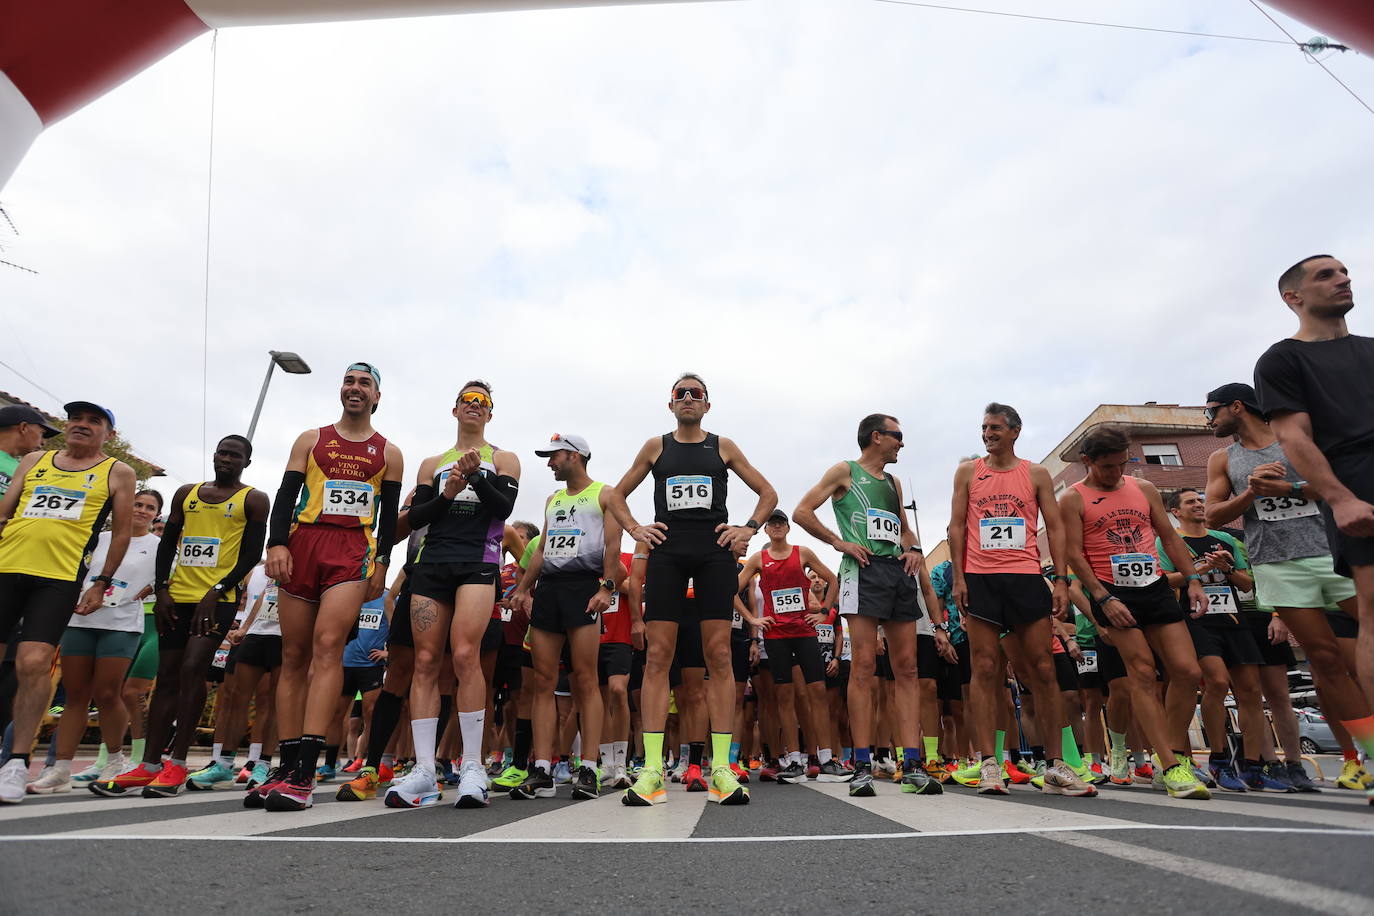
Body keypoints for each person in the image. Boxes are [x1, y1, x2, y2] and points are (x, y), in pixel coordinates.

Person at [607, 373, 776, 806]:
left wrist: (748, 529)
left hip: (713, 553)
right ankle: (651, 771)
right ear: (670, 405)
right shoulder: (656, 446)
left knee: (718, 655)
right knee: (658, 657)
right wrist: (635, 529)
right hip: (667, 552)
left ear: (706, 405)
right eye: (679, 393)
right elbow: (616, 496)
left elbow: (767, 492)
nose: (687, 398)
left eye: (695, 393)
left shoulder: (722, 446)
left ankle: (721, 768)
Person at [1205, 380, 1371, 792]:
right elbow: (1212, 515)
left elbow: (1340, 485)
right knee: (1325, 661)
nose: (1209, 422)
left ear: (1237, 406)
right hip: (1276, 564)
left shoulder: (1296, 438)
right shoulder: (1222, 459)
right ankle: (1362, 756)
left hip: (1331, 550)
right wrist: (1250, 490)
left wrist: (1289, 488)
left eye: (1212, 412)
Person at [1253, 255, 1374, 804]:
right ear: (1294, 297)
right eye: (1326, 275)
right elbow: (1296, 436)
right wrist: (1339, 496)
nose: (1343, 279)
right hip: (1349, 488)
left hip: (1326, 541)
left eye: (1344, 271)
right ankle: (1364, 754)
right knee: (1335, 650)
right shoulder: (1283, 359)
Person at [260, 363, 403, 811]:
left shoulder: (389, 452)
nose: (354, 388)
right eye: (349, 381)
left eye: (364, 383)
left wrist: (382, 564)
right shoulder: (311, 439)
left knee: (327, 646)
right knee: (293, 655)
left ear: (376, 396)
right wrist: (277, 543)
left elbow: (389, 515)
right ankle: (285, 766)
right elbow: (285, 495)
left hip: (351, 549)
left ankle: (305, 770)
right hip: (304, 542)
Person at [92, 436, 268, 798]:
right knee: (167, 676)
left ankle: (177, 763)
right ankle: (149, 765)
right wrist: (162, 590)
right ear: (214, 456)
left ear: (246, 463)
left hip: (216, 601)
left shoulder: (253, 499)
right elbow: (168, 543)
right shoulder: (187, 494)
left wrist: (218, 590)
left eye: (234, 455)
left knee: (192, 669)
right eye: (222, 452)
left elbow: (251, 554)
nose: (226, 459)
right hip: (177, 598)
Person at [793, 413, 950, 797]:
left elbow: (903, 528)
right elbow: (802, 511)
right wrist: (838, 542)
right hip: (861, 571)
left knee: (907, 668)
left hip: (897, 572)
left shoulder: (894, 483)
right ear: (876, 436)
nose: (902, 443)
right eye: (898, 436)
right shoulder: (845, 471)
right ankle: (862, 765)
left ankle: (911, 764)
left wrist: (914, 548)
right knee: (863, 666)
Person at [947, 404, 1096, 797]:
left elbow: (1056, 528)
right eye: (984, 428)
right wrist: (959, 578)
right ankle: (989, 764)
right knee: (984, 669)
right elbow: (956, 526)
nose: (988, 434)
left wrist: (1060, 580)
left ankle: (1056, 765)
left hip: (1026, 577)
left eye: (995, 428)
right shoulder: (968, 472)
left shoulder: (1036, 473)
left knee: (1042, 669)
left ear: (1014, 431)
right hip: (981, 579)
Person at [1058, 425, 1211, 799]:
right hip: (1112, 592)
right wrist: (1102, 598)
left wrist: (1193, 579)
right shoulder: (1073, 498)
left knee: (1188, 671)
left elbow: (1169, 537)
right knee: (1141, 672)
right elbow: (1074, 553)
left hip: (1154, 586)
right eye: (1107, 466)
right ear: (1087, 461)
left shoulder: (1143, 488)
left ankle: (1170, 752)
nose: (1115, 473)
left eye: (1121, 464)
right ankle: (1171, 768)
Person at [386, 381, 514, 809]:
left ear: (489, 414)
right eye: (467, 400)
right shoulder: (431, 463)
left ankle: (473, 765)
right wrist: (447, 492)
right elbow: (417, 516)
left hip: (478, 562)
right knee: (425, 660)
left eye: (483, 402)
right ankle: (424, 769)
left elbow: (504, 509)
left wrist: (476, 475)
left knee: (464, 655)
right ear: (455, 409)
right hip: (433, 563)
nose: (474, 405)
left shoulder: (504, 459)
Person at [0, 401, 136, 804]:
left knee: (33, 663)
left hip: (58, 578)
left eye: (94, 421)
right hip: (7, 567)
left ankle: (17, 762)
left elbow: (122, 533)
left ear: (109, 434)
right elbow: (5, 512)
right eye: (76, 418)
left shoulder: (118, 472)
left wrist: (101, 583)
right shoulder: (34, 460)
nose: (82, 425)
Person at [508, 433, 622, 800]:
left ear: (575, 456)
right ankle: (542, 769)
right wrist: (524, 588)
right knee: (543, 681)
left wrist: (606, 588)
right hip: (550, 590)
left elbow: (614, 547)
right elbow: (542, 549)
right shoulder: (552, 499)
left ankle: (588, 767)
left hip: (583, 587)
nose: (549, 463)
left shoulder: (605, 494)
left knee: (585, 679)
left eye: (554, 456)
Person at [24, 490, 161, 793]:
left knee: (108, 693)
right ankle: (60, 770)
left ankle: (114, 760)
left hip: (122, 624)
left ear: (156, 515)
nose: (141, 510)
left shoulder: (158, 546)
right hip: (80, 620)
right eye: (137, 503)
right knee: (76, 695)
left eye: (149, 507)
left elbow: (169, 579)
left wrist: (150, 588)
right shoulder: (99, 538)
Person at [1157, 488, 1281, 792]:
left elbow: (1247, 584)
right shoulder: (1169, 540)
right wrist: (1199, 569)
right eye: (1191, 502)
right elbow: (1165, 580)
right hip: (1197, 620)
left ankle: (1253, 765)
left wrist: (1226, 568)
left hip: (1233, 618)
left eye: (1200, 500)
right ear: (1176, 512)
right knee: (1217, 682)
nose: (1199, 505)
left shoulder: (1224, 539)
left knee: (1251, 690)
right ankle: (1219, 758)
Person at [735, 509, 841, 782]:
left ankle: (826, 758)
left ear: (788, 528)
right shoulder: (758, 558)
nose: (777, 527)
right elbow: (731, 589)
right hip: (776, 636)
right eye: (772, 523)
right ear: (766, 530)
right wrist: (752, 619)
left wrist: (824, 612)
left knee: (817, 692)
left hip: (805, 633)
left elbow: (832, 579)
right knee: (783, 696)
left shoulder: (802, 553)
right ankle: (793, 760)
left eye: (781, 523)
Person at [0, 405, 59, 497]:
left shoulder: (26, 472)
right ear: (23, 427)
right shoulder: (24, 472)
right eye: (42, 434)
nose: (43, 442)